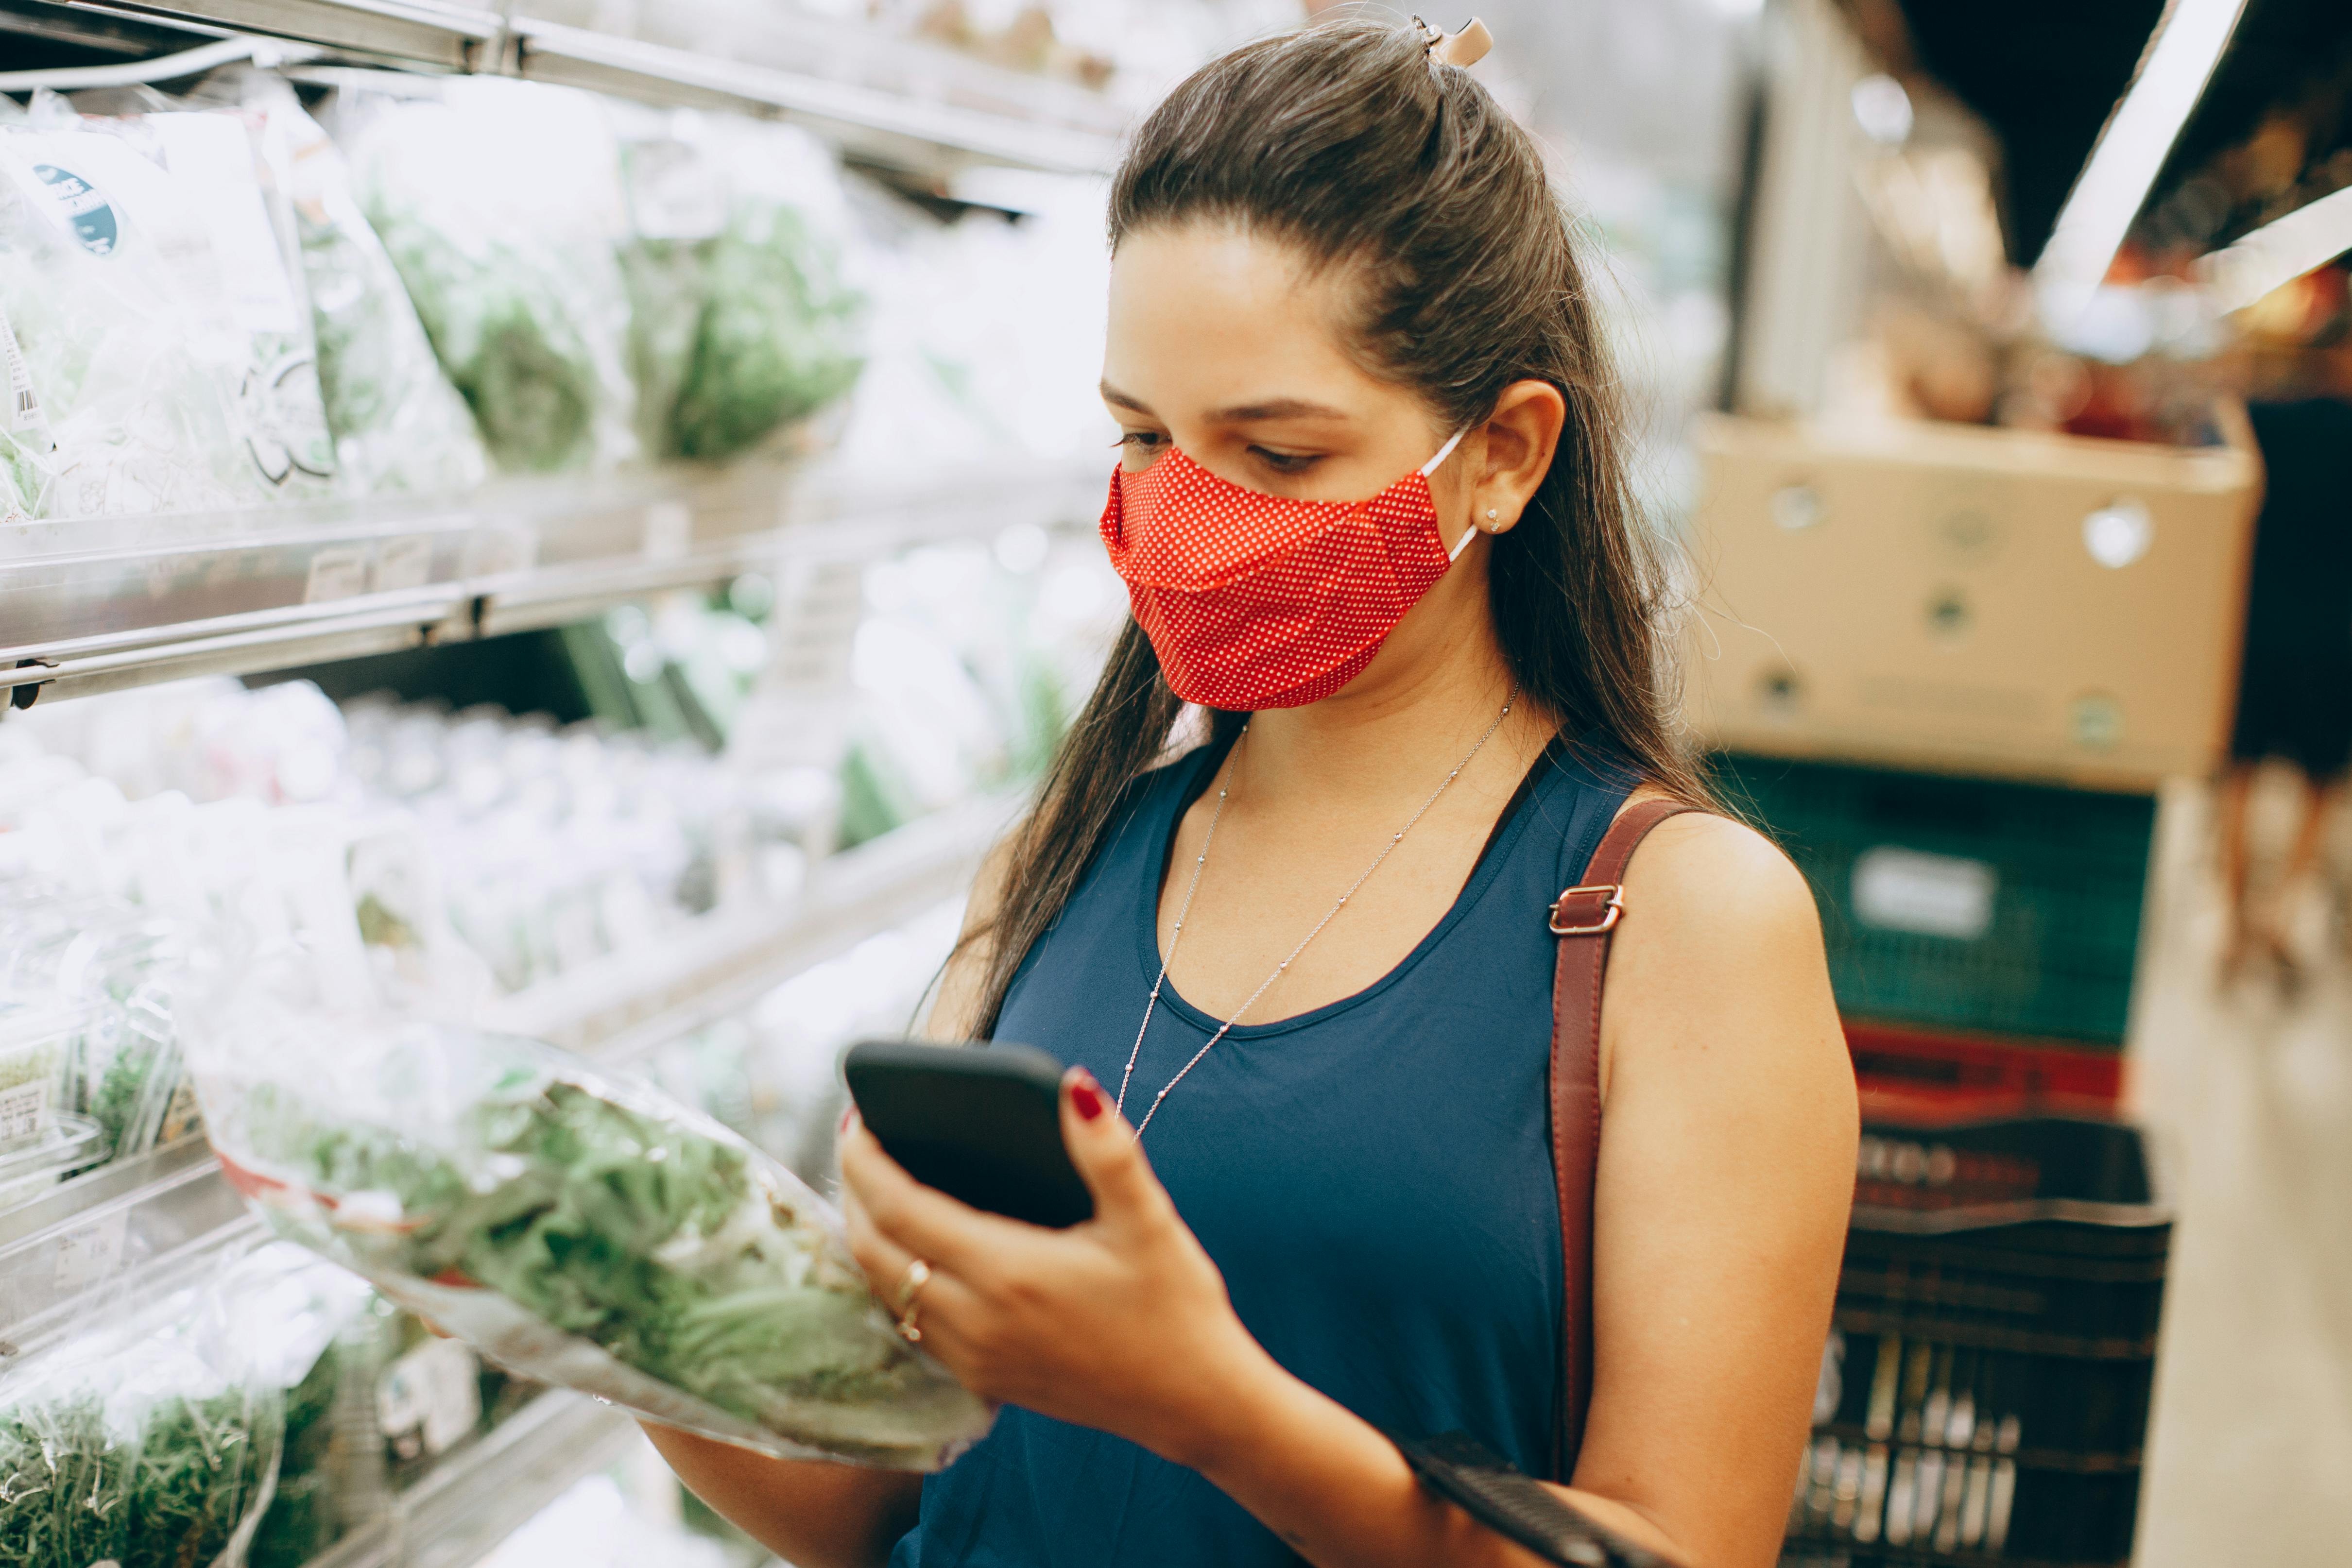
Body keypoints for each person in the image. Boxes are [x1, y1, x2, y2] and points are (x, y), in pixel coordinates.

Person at [651, 17, 1857, 1568]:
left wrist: (1205, 1401)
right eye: (1141, 438)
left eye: (1275, 454)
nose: (1183, 521)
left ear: (1500, 454)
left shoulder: (1678, 924)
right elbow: (891, 1501)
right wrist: (595, 1311)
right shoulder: (1059, 858)